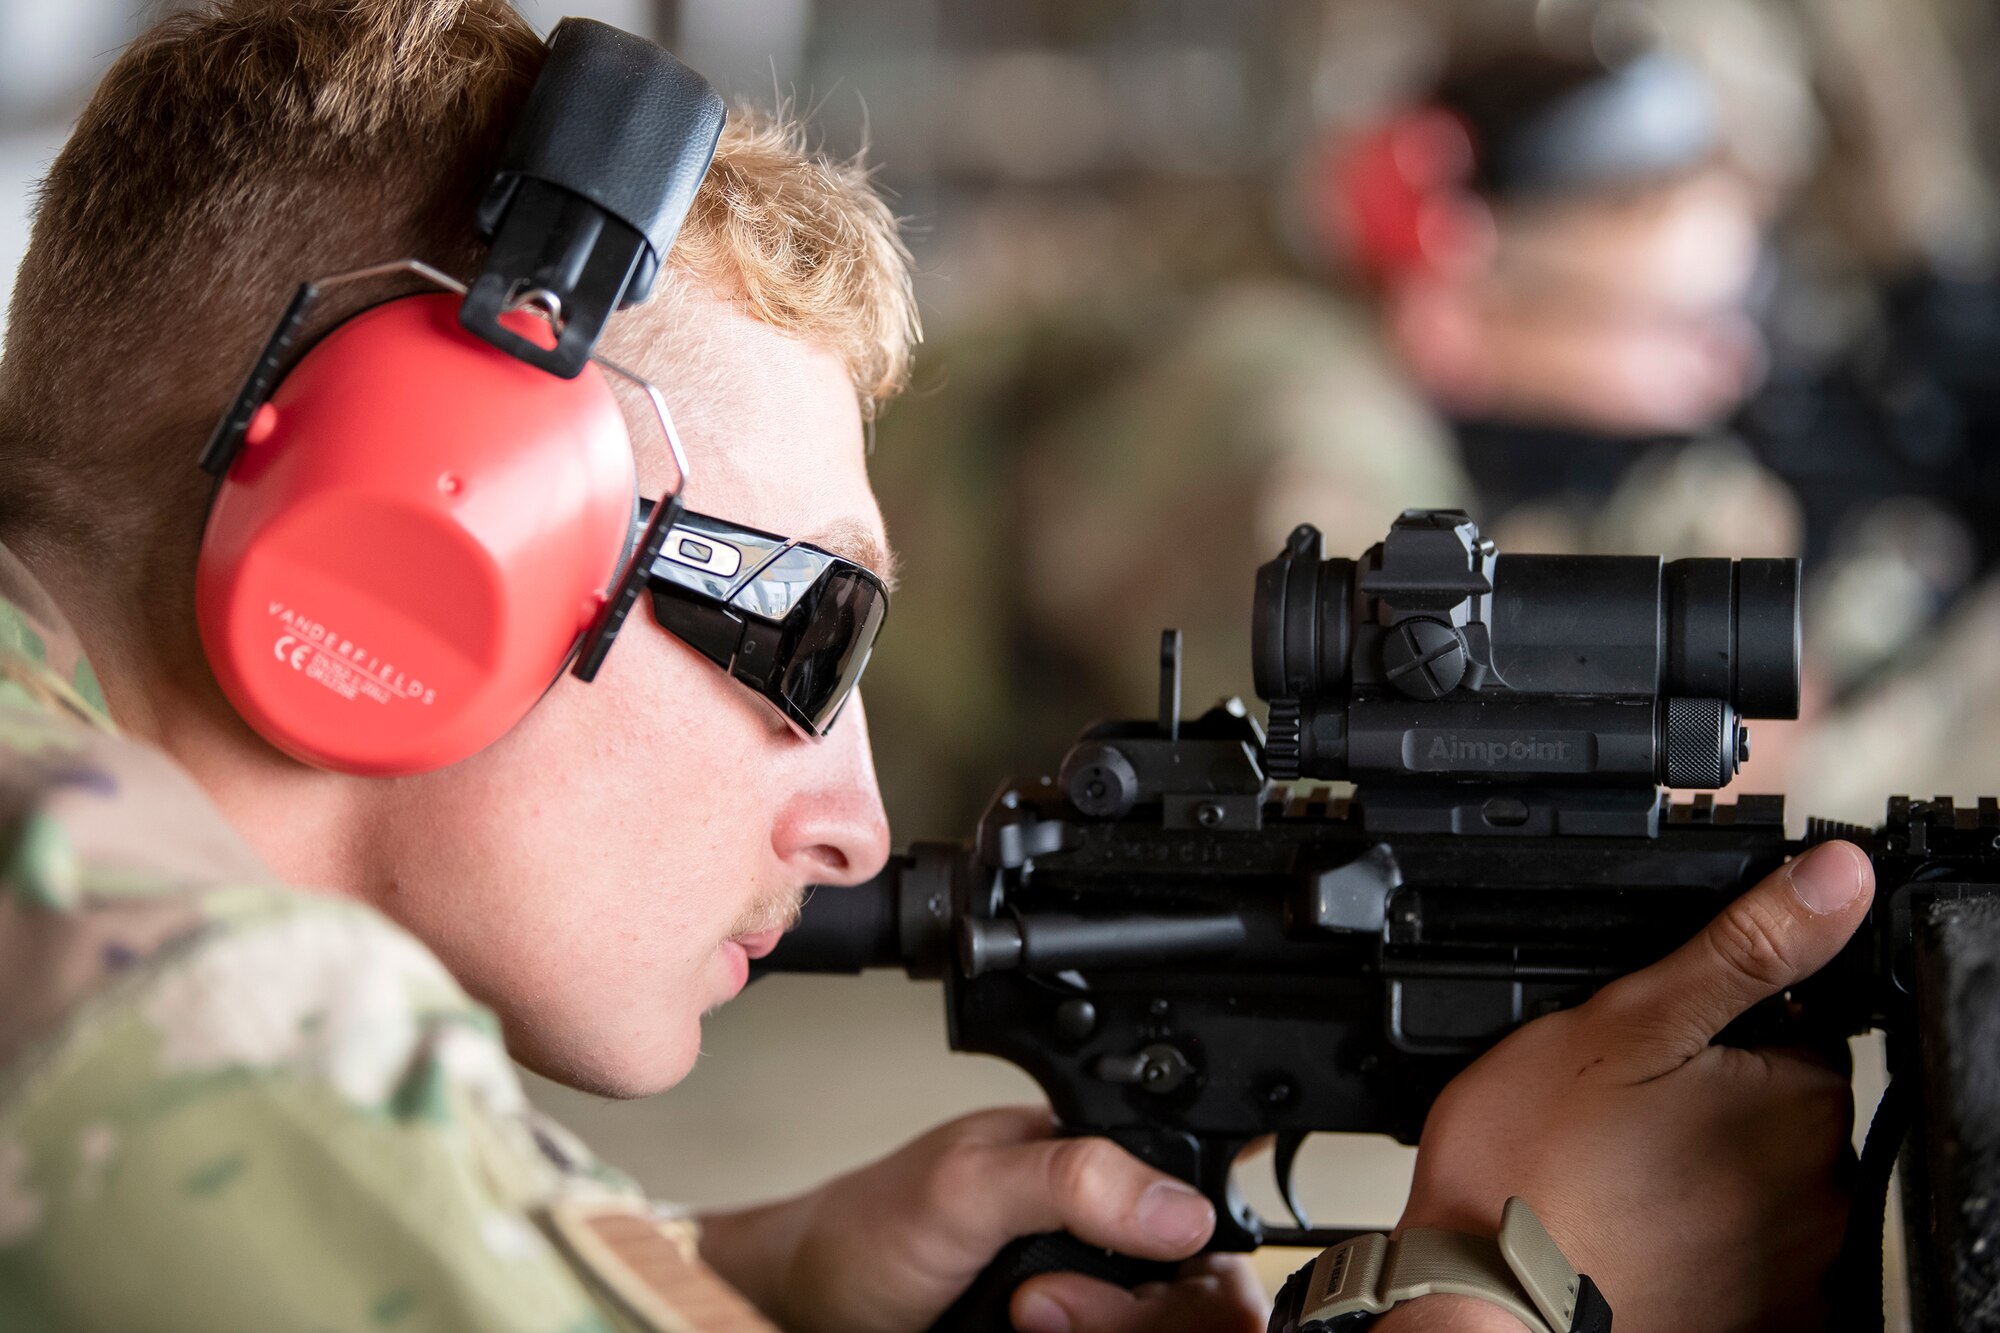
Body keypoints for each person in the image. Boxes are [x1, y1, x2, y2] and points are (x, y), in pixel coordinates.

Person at [0, 3, 1874, 1331]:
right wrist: (1512, 1290)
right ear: (431, 541)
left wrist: (724, 1276)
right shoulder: (176, 1028)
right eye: (810, 637)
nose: (859, 822)